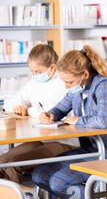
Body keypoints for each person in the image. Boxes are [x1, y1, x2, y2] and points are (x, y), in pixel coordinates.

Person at [31, 46, 107, 199]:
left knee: (58, 182)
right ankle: (94, 198)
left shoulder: (103, 86)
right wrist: (50, 114)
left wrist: (78, 120)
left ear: (84, 74)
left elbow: (103, 121)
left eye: (69, 82)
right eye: (64, 81)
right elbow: (61, 108)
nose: (66, 86)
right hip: (92, 150)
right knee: (39, 175)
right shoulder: (77, 89)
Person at [0, 44, 71, 184]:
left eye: (38, 72)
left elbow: (51, 113)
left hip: (64, 141)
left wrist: (31, 110)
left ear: (52, 67)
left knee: (13, 165)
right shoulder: (34, 83)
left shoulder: (64, 83)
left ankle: (17, 197)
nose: (35, 75)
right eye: (32, 71)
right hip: (39, 140)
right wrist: (17, 106)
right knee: (2, 161)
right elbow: (11, 100)